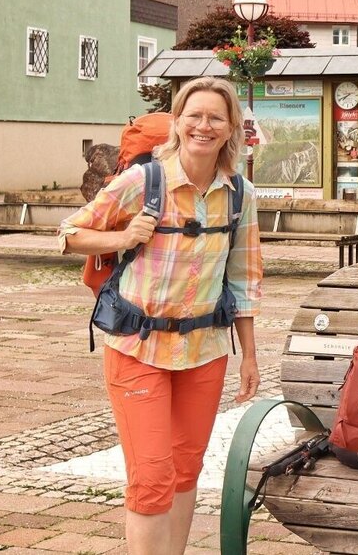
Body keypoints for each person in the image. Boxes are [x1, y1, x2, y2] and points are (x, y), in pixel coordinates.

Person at [60, 77, 263, 555]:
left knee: (185, 471)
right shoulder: (144, 181)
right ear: (178, 122)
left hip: (205, 351)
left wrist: (250, 356)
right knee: (152, 477)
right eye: (194, 115)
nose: (203, 126)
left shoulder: (240, 194)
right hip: (138, 348)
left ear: (231, 127)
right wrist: (122, 237)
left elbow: (244, 278)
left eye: (216, 117)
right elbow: (69, 233)